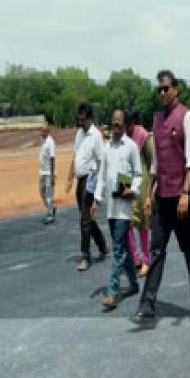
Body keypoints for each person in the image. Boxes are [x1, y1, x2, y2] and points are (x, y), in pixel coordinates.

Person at [132, 69, 190, 324]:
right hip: (162, 195)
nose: (162, 93)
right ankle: (147, 304)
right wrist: (150, 195)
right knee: (156, 250)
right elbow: (156, 163)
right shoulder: (157, 119)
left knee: (188, 249)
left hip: (181, 195)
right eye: (159, 89)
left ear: (176, 88)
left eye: (166, 88)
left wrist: (186, 193)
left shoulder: (186, 117)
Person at [92, 109, 143, 312]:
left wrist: (134, 189)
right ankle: (133, 283)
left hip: (124, 207)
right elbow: (102, 176)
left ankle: (112, 292)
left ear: (125, 124)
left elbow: (138, 174)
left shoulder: (131, 147)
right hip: (112, 208)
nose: (116, 125)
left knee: (119, 249)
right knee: (124, 249)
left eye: (120, 122)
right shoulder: (106, 148)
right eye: (113, 122)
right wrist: (96, 199)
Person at [65, 103, 108, 271]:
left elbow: (100, 161)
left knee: (84, 218)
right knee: (87, 216)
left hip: (90, 180)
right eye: (79, 119)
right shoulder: (79, 133)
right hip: (79, 179)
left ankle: (85, 255)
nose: (80, 122)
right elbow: (75, 156)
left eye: (83, 119)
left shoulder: (96, 136)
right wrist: (69, 178)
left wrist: (96, 186)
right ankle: (103, 245)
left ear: (89, 118)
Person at [127, 111, 154, 277]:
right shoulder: (121, 137)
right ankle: (135, 257)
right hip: (125, 182)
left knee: (143, 224)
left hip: (142, 183)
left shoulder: (144, 135)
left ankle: (146, 260)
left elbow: (153, 164)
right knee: (127, 221)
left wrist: (150, 193)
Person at [38, 125, 57, 224]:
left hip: (49, 173)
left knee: (49, 195)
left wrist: (53, 175)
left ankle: (50, 215)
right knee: (41, 192)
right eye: (42, 131)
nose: (43, 133)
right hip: (42, 172)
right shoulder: (43, 140)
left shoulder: (50, 142)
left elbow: (52, 159)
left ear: (48, 132)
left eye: (45, 131)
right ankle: (52, 208)